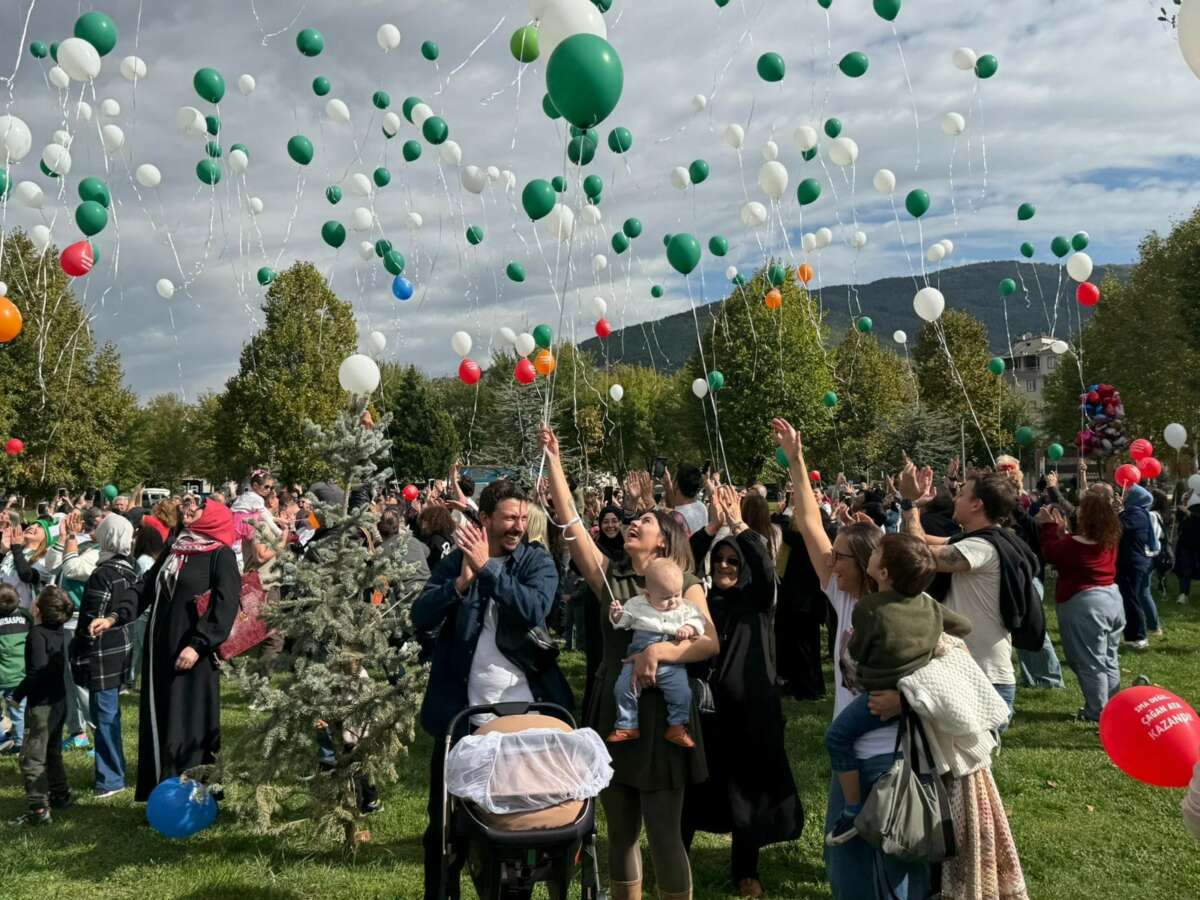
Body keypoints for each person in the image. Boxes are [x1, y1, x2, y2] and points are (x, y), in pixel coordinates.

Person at [540, 425, 718, 900]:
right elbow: (573, 522)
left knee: (663, 834)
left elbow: (708, 642)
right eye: (633, 521)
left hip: (662, 718)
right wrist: (555, 460)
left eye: (645, 522)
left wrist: (659, 651)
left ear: (663, 543)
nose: (633, 524)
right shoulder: (609, 577)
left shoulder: (687, 583)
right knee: (619, 832)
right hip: (611, 711)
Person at [770, 418, 929, 900]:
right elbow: (810, 522)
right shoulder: (840, 598)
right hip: (849, 763)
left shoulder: (899, 607)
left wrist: (905, 700)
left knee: (898, 871)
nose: (830, 562)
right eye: (832, 555)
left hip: (894, 758)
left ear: (864, 566)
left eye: (840, 557)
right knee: (846, 869)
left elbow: (941, 669)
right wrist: (796, 461)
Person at [413, 478, 573, 900]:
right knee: (444, 832)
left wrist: (489, 569)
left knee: (512, 835)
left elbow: (534, 608)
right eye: (509, 517)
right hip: (460, 720)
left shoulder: (536, 563)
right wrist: (460, 584)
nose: (518, 526)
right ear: (485, 519)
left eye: (523, 517)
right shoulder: (456, 562)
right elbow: (419, 615)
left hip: (522, 723)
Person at [686, 483, 802, 899]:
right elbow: (680, 562)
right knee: (694, 787)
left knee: (746, 795)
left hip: (752, 714)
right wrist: (710, 528)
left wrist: (738, 526)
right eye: (720, 560)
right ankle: (676, 862)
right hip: (704, 712)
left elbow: (766, 566)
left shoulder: (757, 601)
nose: (726, 566)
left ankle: (746, 870)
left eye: (733, 560)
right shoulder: (697, 600)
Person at [824, 533, 972, 846]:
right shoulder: (927, 606)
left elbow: (860, 651)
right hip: (914, 702)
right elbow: (963, 627)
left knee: (837, 738)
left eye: (877, 552)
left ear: (884, 573)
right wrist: (930, 639)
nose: (873, 555)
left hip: (877, 700)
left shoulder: (869, 608)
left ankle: (851, 809)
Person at [898, 461, 1026, 716]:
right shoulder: (976, 540)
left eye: (961, 494)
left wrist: (909, 503)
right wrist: (918, 503)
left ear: (977, 504)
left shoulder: (981, 548)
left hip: (983, 678)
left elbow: (917, 556)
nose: (955, 499)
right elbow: (921, 540)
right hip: (968, 672)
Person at [135, 498, 241, 801]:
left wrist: (198, 645)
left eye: (196, 506)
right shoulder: (176, 548)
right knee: (164, 718)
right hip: (161, 651)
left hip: (194, 657)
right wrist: (116, 615)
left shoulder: (220, 555)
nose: (187, 509)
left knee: (189, 723)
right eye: (185, 506)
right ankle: (162, 792)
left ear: (214, 515)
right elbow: (147, 587)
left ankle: (195, 796)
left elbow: (225, 604)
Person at [1037, 493, 1123, 722]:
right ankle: (1112, 706)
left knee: (1089, 661)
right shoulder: (1109, 540)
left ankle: (1097, 712)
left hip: (1086, 604)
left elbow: (1051, 552)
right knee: (1109, 657)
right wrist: (1062, 532)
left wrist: (1048, 527)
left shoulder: (1072, 546)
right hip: (1113, 599)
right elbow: (1069, 546)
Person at [73, 515, 139, 798]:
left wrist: (78, 649)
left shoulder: (103, 573)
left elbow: (92, 617)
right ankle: (115, 769)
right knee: (109, 712)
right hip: (121, 646)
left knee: (105, 715)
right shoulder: (130, 567)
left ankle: (111, 778)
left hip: (102, 650)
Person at [607, 557, 704, 747]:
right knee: (623, 687)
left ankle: (677, 726)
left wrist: (689, 628)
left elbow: (699, 621)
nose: (673, 602)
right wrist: (616, 614)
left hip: (671, 657)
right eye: (666, 598)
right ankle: (627, 725)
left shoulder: (685, 607)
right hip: (638, 655)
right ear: (648, 595)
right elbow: (622, 622)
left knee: (682, 692)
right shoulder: (637, 604)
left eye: (677, 594)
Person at [995, 455, 1065, 690]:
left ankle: (1049, 678)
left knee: (1033, 626)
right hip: (1010, 572)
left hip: (1030, 573)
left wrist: (1013, 502)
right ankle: (1034, 677)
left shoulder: (1030, 501)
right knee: (1020, 628)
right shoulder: (997, 505)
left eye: (1008, 472)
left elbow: (1034, 526)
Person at [10, 586, 74, 826]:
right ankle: (61, 794)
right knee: (52, 751)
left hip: (43, 706)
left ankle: (38, 809)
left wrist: (17, 695)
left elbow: (36, 671)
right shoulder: (60, 632)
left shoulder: (37, 635)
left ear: (37, 609)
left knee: (31, 757)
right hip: (59, 701)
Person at [1118, 484, 1159, 649]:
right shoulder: (1133, 513)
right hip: (1130, 563)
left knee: (1132, 600)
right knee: (1128, 599)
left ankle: (1139, 636)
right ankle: (1131, 635)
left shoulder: (1137, 514)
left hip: (1133, 564)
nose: (1124, 497)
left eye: (1128, 494)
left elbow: (1121, 527)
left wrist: (1118, 512)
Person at [0, 584, 32, 753]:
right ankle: (19, 744)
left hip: (2, 675)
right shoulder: (26, 616)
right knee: (18, 710)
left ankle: (2, 737)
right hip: (20, 674)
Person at [1175, 492, 1200, 604]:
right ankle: (1183, 594)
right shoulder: (1187, 498)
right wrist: (1183, 505)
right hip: (1186, 543)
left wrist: (1188, 512)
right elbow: (1179, 519)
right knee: (1185, 569)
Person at [670, 464, 707, 536]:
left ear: (676, 484)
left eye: (673, 478)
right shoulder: (701, 507)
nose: (671, 481)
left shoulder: (677, 518)